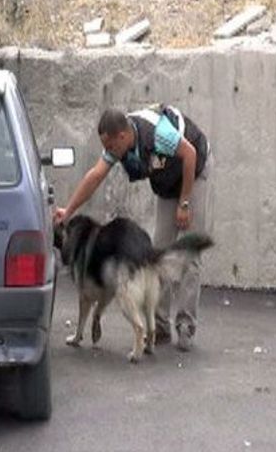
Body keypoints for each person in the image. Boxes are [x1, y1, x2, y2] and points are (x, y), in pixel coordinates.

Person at [53, 104, 211, 351]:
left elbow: (189, 154)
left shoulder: (158, 134)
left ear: (123, 136)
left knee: (189, 259)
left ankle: (185, 327)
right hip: (168, 180)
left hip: (193, 170)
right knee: (158, 253)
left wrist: (185, 202)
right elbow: (95, 176)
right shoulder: (120, 143)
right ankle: (159, 327)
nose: (109, 152)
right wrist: (69, 211)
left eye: (110, 147)